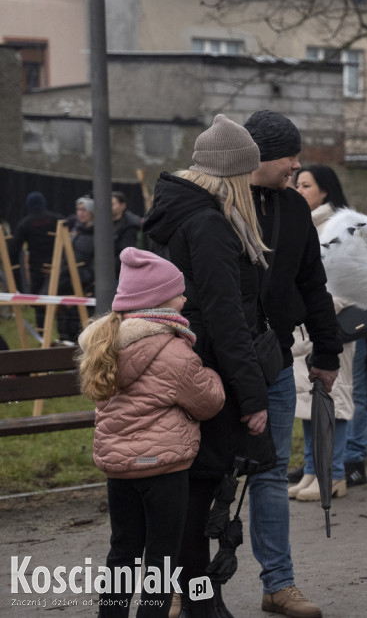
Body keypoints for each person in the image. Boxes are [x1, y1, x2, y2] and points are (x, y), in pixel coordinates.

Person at [143, 114, 271, 618]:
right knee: (200, 509)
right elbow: (226, 316)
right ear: (233, 175)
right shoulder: (211, 224)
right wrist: (253, 395)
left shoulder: (175, 215)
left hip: (178, 373)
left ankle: (200, 604)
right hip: (209, 379)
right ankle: (204, 608)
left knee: (187, 507)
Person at [77, 248, 225, 618]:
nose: (185, 296)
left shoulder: (105, 344)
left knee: (122, 551)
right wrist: (213, 376)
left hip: (119, 470)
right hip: (163, 470)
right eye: (178, 291)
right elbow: (207, 402)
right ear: (158, 300)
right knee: (161, 558)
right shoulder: (173, 350)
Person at [244, 111, 344, 618]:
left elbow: (312, 282)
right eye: (291, 157)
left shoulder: (292, 208)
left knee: (268, 475)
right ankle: (182, 585)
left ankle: (278, 585)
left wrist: (326, 352)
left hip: (277, 363)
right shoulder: (214, 204)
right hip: (214, 365)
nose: (297, 166)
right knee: (203, 476)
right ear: (260, 155)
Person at [288, 163, 362, 501]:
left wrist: (317, 308)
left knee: (332, 401)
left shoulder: (339, 229)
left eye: (305, 185)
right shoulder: (305, 225)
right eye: (297, 184)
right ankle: (311, 471)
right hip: (302, 332)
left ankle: (332, 475)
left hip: (329, 329)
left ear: (325, 191)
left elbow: (350, 284)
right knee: (307, 402)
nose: (298, 190)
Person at [7, 191, 63, 328]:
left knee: (39, 301)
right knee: (62, 300)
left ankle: (42, 332)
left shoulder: (25, 224)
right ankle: (63, 333)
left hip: (36, 267)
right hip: (58, 266)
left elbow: (13, 250)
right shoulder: (56, 219)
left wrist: (13, 270)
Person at [57, 196, 97, 341]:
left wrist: (87, 276)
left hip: (85, 284)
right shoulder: (74, 230)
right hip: (68, 283)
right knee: (64, 320)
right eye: (79, 209)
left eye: (84, 210)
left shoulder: (98, 234)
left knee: (81, 325)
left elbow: (97, 260)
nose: (81, 213)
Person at [112, 191, 143, 278]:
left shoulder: (130, 225)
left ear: (122, 205)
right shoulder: (105, 222)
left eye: (112, 204)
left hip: (119, 274)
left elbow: (126, 252)